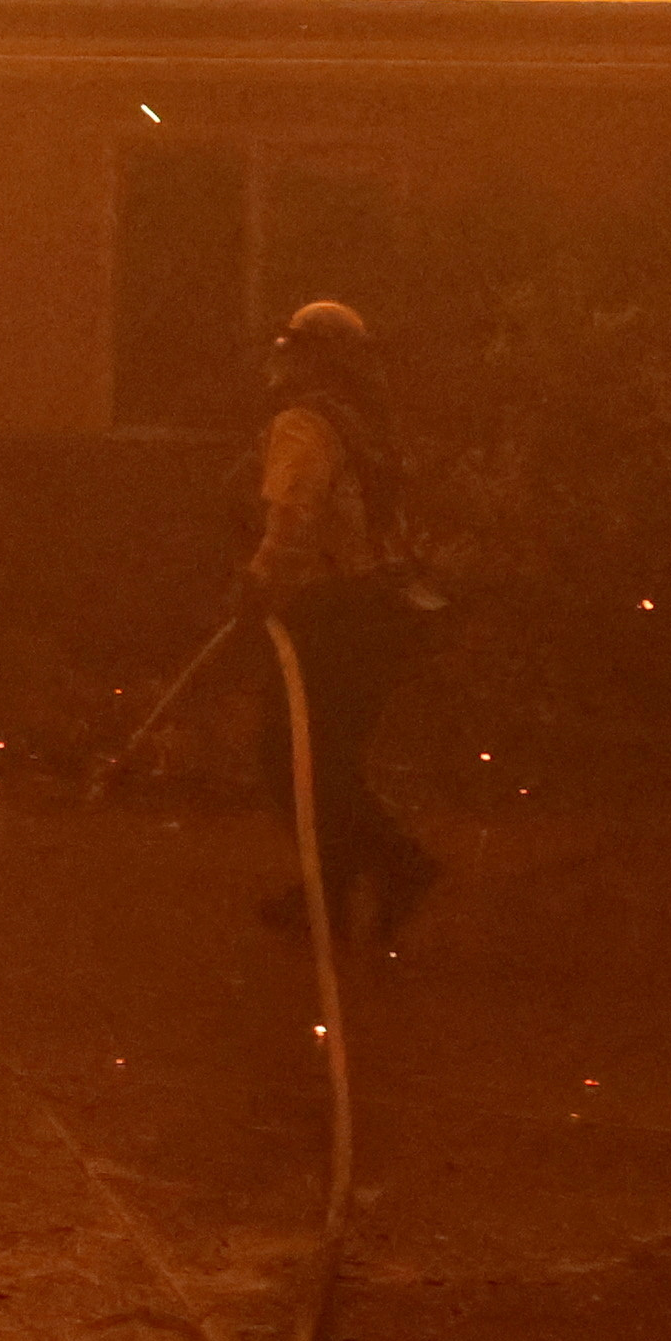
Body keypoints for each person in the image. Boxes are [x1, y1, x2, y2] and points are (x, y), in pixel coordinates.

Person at [244, 298, 443, 946]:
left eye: (293, 347)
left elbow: (296, 513)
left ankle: (395, 863)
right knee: (328, 758)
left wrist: (261, 581)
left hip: (333, 611)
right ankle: (327, 899)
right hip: (385, 609)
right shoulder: (366, 425)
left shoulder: (305, 422)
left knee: (288, 755)